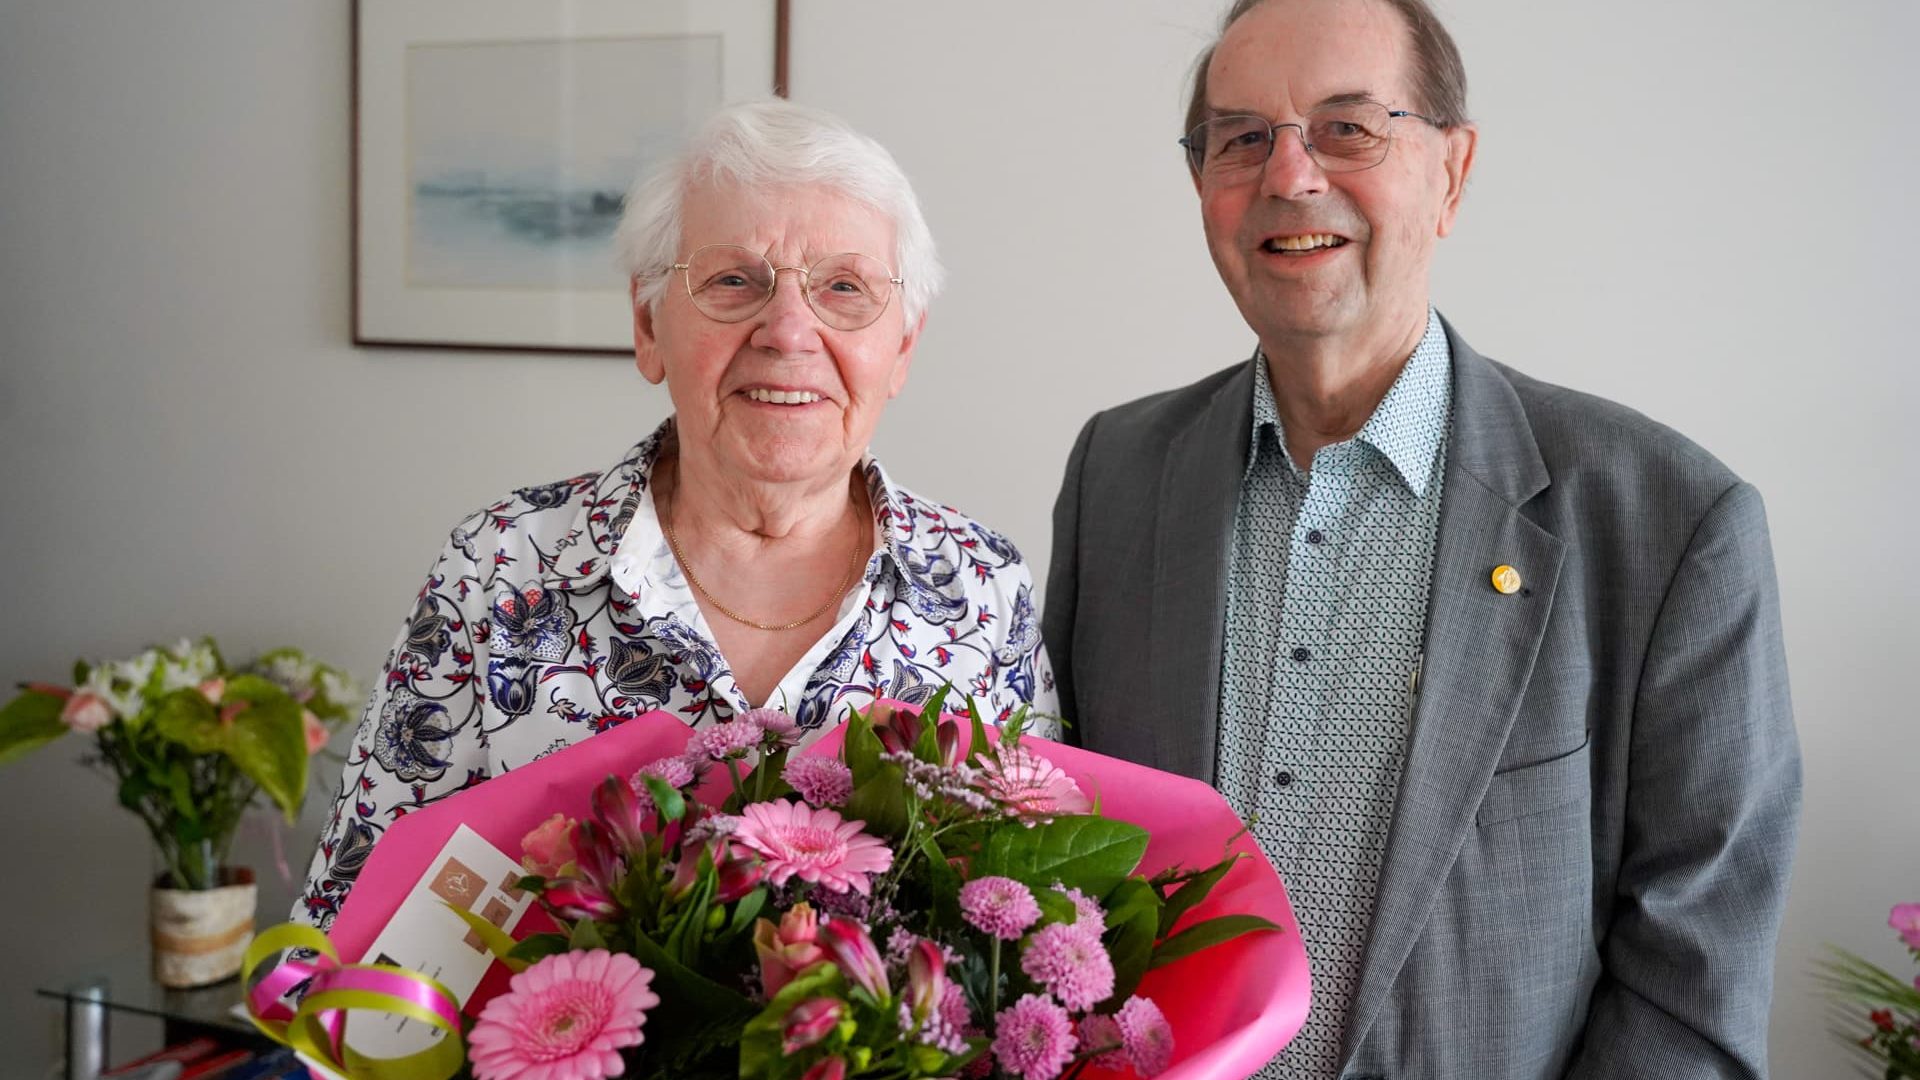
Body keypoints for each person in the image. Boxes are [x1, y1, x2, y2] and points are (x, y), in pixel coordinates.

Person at [1041, 1, 1800, 1076]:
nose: (1290, 176)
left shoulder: (1669, 523)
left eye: (1349, 128)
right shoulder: (1117, 478)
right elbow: (1062, 881)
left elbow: (1695, 987)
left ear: (1453, 169)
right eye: (1241, 137)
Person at [297, 101, 1056, 929]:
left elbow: (1034, 909)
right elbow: (345, 929)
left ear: (902, 346)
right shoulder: (503, 567)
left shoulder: (981, 586)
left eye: (845, 287)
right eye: (734, 281)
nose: (789, 331)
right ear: (647, 322)